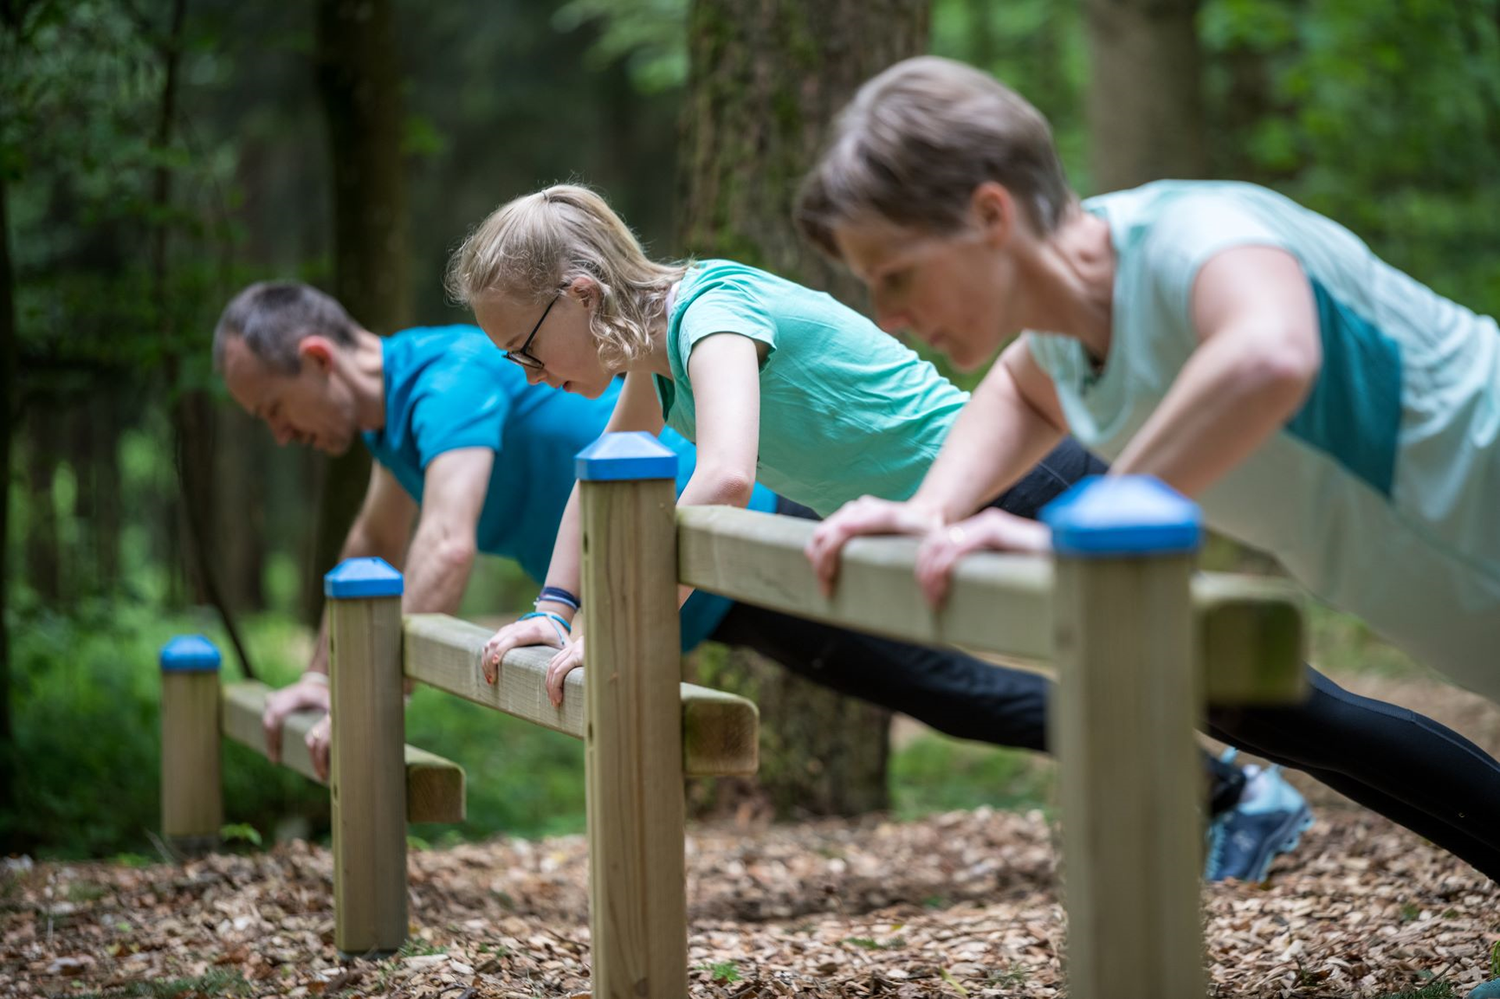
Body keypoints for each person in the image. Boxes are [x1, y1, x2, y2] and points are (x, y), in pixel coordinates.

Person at [213, 279, 1298, 879]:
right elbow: (372, 546)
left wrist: (374, 693)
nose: (280, 436)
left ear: (314, 361)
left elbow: (440, 548)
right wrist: (322, 676)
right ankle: (1221, 776)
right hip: (672, 567)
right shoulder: (396, 422)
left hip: (730, 536)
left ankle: (1234, 781)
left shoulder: (443, 376)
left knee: (956, 687)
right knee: (949, 690)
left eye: (272, 412)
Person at [792, 52, 1500, 940]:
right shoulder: (1066, 336)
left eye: (895, 274)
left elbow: (1271, 351)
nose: (887, 315)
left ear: (990, 214)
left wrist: (1089, 526)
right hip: (1444, 592)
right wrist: (932, 509)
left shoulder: (1193, 235)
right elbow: (1021, 389)